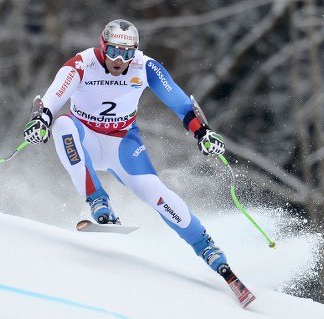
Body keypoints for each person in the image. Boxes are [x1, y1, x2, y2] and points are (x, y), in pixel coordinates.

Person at [23, 19, 229, 275]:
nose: (119, 60)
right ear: (102, 46)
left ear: (136, 51)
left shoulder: (144, 67)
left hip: (122, 145)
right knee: (63, 125)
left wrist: (203, 133)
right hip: (84, 137)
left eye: (127, 53)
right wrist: (41, 120)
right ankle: (98, 200)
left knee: (155, 192)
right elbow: (53, 98)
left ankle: (205, 246)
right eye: (113, 51)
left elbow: (180, 103)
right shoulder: (83, 63)